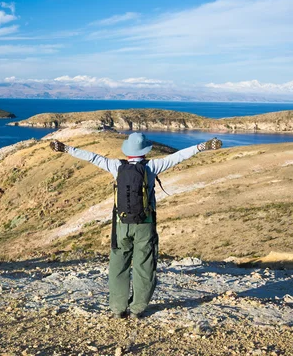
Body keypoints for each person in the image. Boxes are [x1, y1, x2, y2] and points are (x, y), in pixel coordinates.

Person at [50, 133, 222, 319]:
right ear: (145, 150)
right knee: (144, 265)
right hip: (145, 224)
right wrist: (201, 147)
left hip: (121, 224)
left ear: (127, 151)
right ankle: (137, 309)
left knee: (118, 265)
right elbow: (178, 156)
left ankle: (117, 308)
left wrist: (66, 148)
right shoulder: (152, 167)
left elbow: (91, 156)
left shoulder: (116, 166)